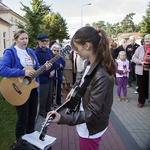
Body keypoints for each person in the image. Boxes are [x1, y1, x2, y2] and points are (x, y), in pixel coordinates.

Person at [48, 26, 116, 150]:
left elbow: (92, 113)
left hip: (90, 128)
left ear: (87, 46)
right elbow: (83, 80)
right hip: (86, 123)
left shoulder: (101, 75)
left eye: (77, 48)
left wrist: (62, 118)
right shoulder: (89, 63)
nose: (75, 51)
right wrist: (74, 88)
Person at [0, 29, 51, 141]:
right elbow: (2, 69)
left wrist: (44, 67)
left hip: (32, 88)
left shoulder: (30, 52)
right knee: (23, 117)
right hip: (18, 89)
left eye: (26, 38)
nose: (25, 41)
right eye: (22, 38)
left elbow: (36, 67)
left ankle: (30, 138)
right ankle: (18, 140)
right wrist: (23, 72)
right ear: (16, 40)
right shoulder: (10, 52)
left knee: (32, 115)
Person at [35, 34, 59, 118]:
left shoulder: (49, 51)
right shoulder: (36, 53)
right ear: (39, 42)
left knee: (49, 96)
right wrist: (47, 73)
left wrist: (53, 70)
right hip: (43, 79)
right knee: (43, 97)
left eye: (46, 41)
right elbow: (37, 68)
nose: (45, 42)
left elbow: (54, 62)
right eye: (43, 41)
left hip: (51, 79)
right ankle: (42, 112)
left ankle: (48, 110)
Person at [132, 34, 150, 108]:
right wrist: (141, 62)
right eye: (146, 39)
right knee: (141, 87)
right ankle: (141, 101)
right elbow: (134, 58)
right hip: (141, 71)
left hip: (149, 70)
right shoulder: (140, 48)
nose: (147, 40)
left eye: (149, 39)